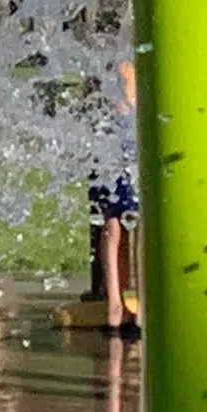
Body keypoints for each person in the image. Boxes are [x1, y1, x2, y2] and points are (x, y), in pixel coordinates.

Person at [87, 58, 140, 333]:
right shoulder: (117, 62)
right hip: (112, 150)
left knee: (133, 227)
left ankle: (134, 303)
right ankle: (115, 302)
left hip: (130, 150)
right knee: (114, 227)